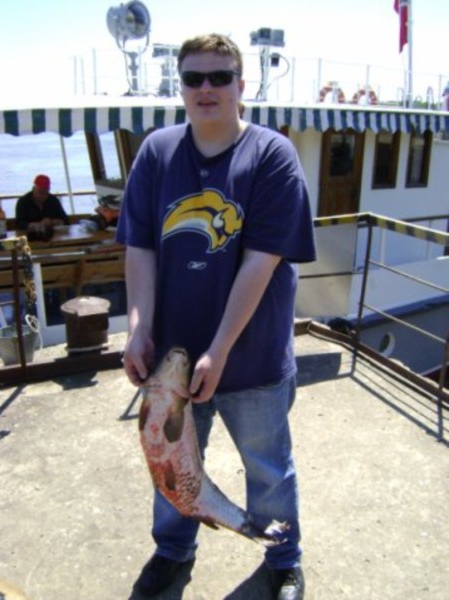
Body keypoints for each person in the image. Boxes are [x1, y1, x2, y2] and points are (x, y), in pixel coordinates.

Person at [116, 33, 316, 600]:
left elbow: (261, 262)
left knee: (269, 469)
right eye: (193, 78)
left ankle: (283, 561)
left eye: (220, 77)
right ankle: (172, 551)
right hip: (171, 361)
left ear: (240, 85)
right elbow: (140, 247)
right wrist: (138, 327)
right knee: (170, 464)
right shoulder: (157, 152)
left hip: (251, 358)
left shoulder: (272, 155)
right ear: (179, 86)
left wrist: (221, 348)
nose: (206, 88)